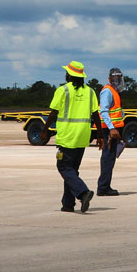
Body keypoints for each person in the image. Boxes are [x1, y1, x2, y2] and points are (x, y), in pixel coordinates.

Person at [44, 61, 99, 213]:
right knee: (72, 170)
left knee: (63, 167)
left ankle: (83, 193)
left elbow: (53, 112)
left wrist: (45, 130)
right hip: (83, 136)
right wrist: (100, 135)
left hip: (67, 136)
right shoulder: (90, 91)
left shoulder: (63, 90)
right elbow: (96, 114)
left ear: (69, 74)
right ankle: (68, 204)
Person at [96, 67, 125, 196]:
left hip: (114, 129)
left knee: (110, 158)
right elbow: (104, 111)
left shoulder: (114, 92)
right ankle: (103, 187)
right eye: (115, 79)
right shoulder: (107, 92)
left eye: (119, 79)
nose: (117, 81)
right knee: (107, 158)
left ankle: (105, 185)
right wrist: (112, 128)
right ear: (109, 79)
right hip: (109, 130)